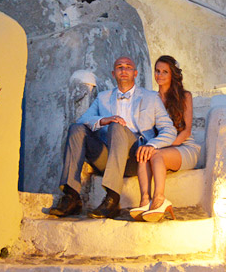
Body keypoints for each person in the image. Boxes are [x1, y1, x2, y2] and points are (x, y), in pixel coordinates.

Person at [50, 56, 177, 219]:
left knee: (117, 126)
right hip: (107, 157)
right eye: (119, 67)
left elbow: (169, 129)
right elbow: (82, 120)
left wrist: (151, 145)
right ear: (113, 73)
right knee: (76, 129)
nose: (123, 70)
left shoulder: (151, 98)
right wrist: (104, 120)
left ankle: (112, 198)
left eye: (128, 67)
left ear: (135, 73)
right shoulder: (102, 97)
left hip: (136, 158)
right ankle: (71, 196)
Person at [131, 55, 201, 222]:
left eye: (164, 72)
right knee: (145, 152)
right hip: (160, 147)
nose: (159, 75)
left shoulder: (185, 96)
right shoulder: (151, 98)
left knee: (154, 153)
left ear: (172, 75)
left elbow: (187, 131)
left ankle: (160, 199)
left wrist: (160, 148)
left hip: (183, 147)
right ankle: (144, 200)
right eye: (157, 71)